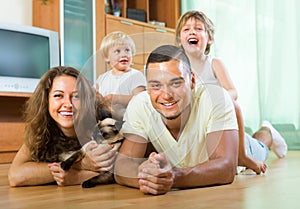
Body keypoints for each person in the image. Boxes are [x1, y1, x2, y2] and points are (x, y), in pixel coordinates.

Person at [114, 44, 239, 195]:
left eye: (176, 83)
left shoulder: (216, 97)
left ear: (192, 81)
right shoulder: (139, 104)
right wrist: (147, 177)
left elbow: (227, 167)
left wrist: (173, 176)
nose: (166, 95)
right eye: (156, 85)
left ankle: (267, 133)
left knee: (259, 146)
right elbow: (122, 166)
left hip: (241, 147)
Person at [175, 10, 288, 174]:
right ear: (179, 39)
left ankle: (268, 131)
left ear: (209, 39)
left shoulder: (214, 63)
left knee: (259, 149)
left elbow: (233, 91)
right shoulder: (177, 68)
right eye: (186, 29)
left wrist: (219, 98)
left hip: (226, 127)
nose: (192, 31)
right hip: (204, 131)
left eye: (198, 28)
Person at [8, 66, 117, 187]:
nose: (68, 104)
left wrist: (78, 177)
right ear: (46, 100)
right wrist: (78, 165)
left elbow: (122, 171)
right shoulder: (42, 127)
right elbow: (15, 176)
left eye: (76, 96)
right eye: (58, 95)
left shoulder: (103, 125)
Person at [96, 31, 146, 119]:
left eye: (127, 50)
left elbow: (140, 100)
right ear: (106, 57)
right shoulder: (102, 78)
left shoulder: (136, 75)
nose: (123, 54)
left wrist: (117, 99)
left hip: (129, 122)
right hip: (106, 121)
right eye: (117, 51)